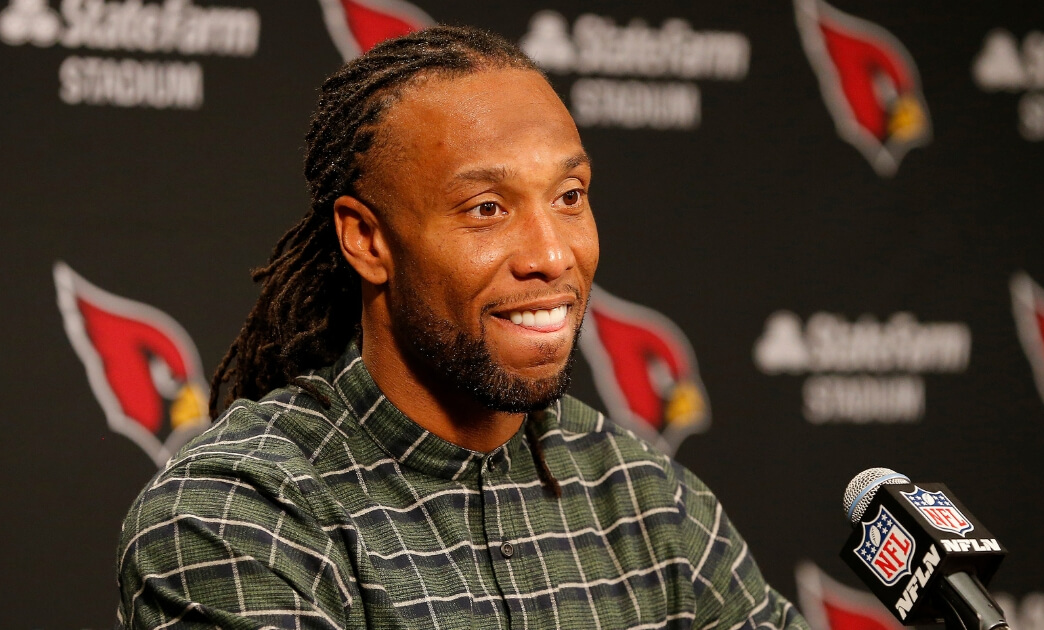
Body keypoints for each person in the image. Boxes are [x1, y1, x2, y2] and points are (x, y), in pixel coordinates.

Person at [115, 25, 809, 630]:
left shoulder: (647, 499)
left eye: (569, 197)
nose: (551, 255)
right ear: (367, 240)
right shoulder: (235, 514)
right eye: (486, 209)